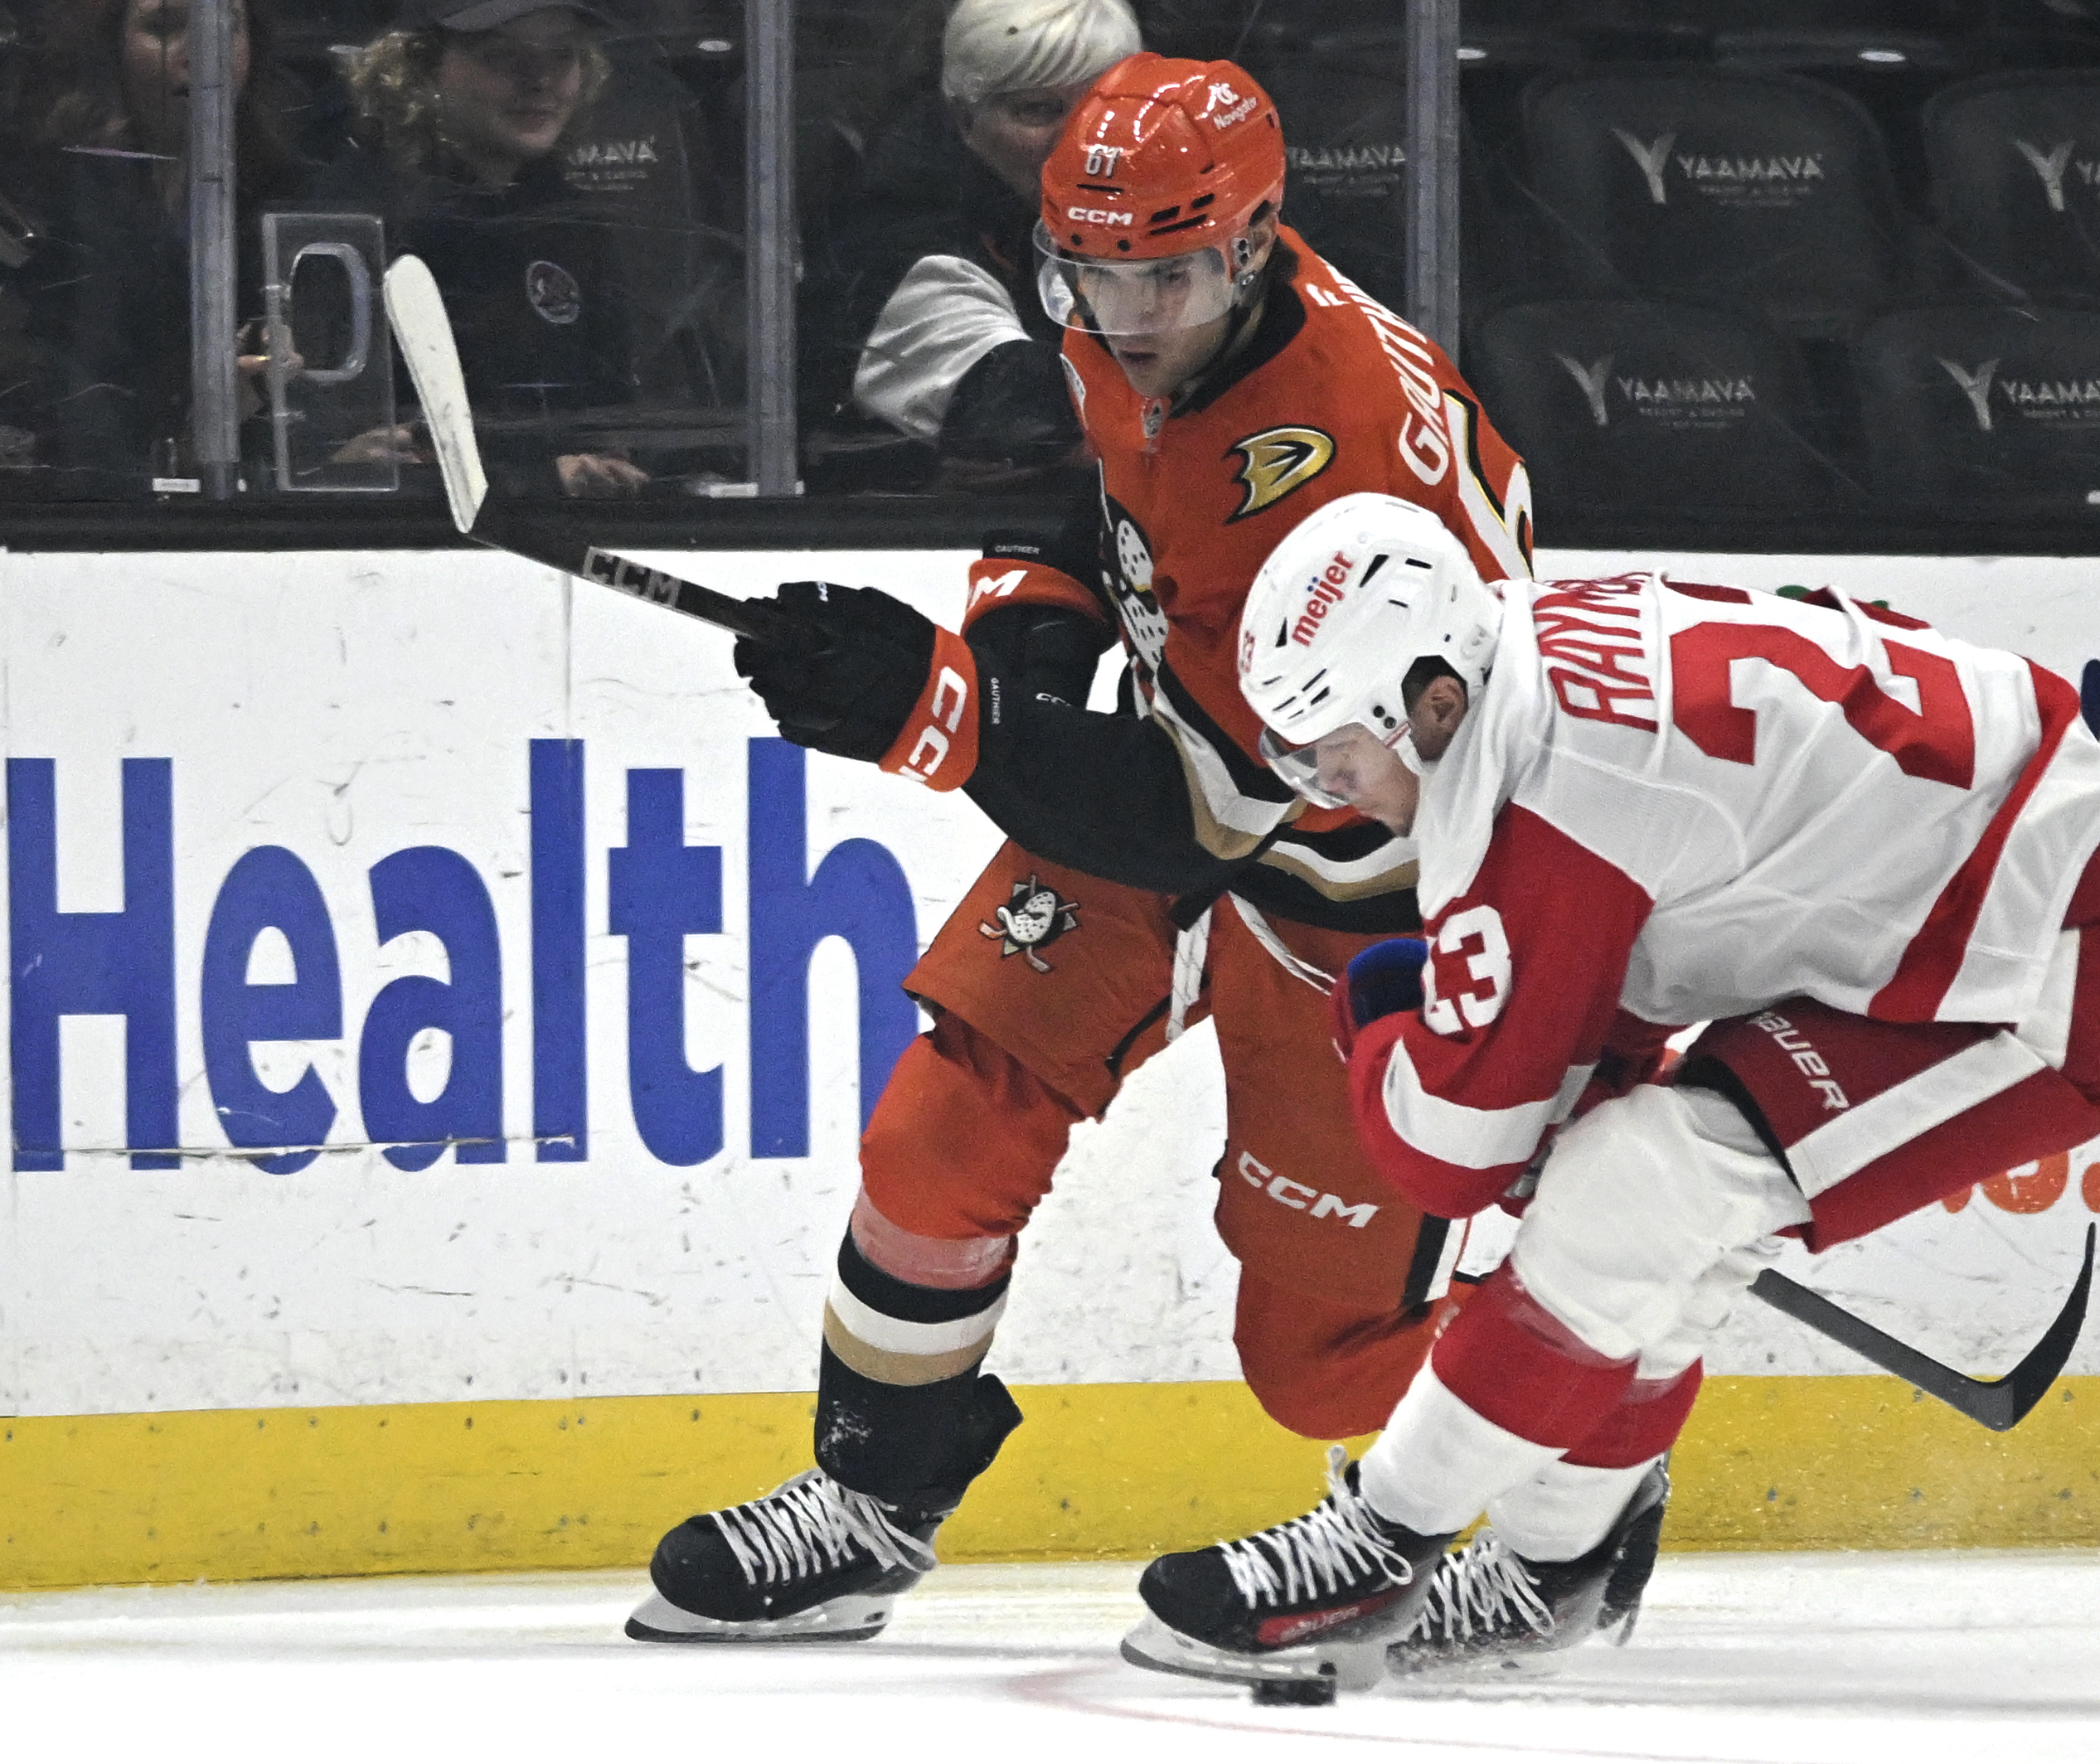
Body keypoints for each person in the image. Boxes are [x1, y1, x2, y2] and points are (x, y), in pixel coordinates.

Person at [624, 56, 1540, 1648]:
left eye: (1161, 277)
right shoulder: (1150, 305)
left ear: (1254, 241)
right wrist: (1022, 659)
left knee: (1313, 1360)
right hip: (1192, 773)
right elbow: (1086, 497)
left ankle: (1579, 1469)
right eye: (1087, 273)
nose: (1120, 314)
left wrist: (936, 709)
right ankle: (871, 1498)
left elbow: (1202, 811)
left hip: (1361, 877)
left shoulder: (1332, 470)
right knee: (945, 1122)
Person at [1119, 492, 2100, 1687]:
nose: (1325, 787)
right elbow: (1648, 927)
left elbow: (1453, 1156)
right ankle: (1549, 1572)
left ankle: (1379, 1544)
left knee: (1648, 1187)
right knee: (1648, 1199)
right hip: (1966, 894)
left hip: (2049, 966)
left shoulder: (1537, 801)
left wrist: (1377, 1016)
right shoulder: (1518, 661)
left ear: (1430, 703)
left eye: (1335, 750)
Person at [314, 0, 648, 497]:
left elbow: (617, 413)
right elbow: (348, 447)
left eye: (562, 56)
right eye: (501, 56)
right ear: (420, 69)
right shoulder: (358, 222)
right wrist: (534, 479)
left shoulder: (575, 223)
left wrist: (611, 461)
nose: (539, 80)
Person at [800, 0, 1138, 472]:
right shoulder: (895, 235)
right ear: (963, 120)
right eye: (1040, 110)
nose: (1083, 138)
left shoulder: (1138, 216)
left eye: (1107, 109)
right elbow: (1031, 415)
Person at [0, 0, 303, 496]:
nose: (204, 56)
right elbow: (78, 439)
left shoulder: (284, 197)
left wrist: (336, 456)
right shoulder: (44, 211)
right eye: (163, 28)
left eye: (226, 28)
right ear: (109, 46)